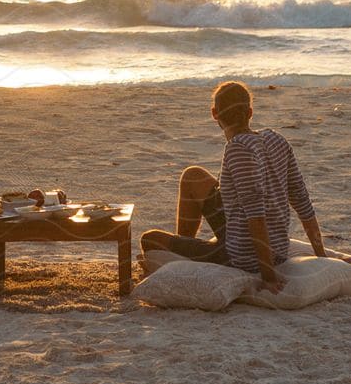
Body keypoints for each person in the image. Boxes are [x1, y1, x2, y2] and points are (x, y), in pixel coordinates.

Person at [140, 79, 326, 292]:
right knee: (192, 175)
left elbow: (256, 218)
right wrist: (322, 256)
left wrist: (268, 277)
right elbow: (302, 201)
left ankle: (183, 258)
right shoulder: (277, 140)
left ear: (214, 114)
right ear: (250, 113)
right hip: (273, 243)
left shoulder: (239, 151)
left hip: (242, 255)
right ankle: (184, 244)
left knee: (150, 239)